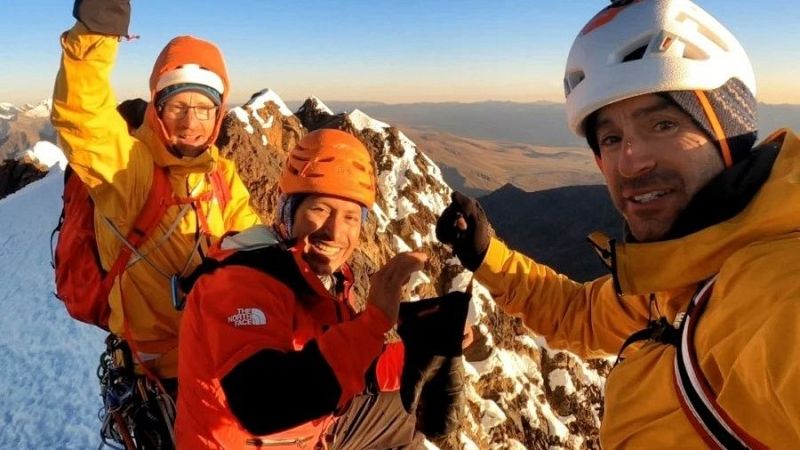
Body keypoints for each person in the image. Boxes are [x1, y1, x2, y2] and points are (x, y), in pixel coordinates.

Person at [436, 0, 800, 448]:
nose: (631, 162)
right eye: (611, 138)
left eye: (663, 124)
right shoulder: (677, 277)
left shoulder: (775, 292)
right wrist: (486, 255)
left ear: (728, 133)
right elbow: (580, 315)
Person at [176, 129, 430, 449]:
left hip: (307, 432)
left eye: (351, 217)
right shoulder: (240, 281)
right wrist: (373, 322)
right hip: (245, 443)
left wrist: (423, 351)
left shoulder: (315, 274)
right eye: (320, 209)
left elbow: (349, 363)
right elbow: (261, 404)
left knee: (406, 408)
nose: (335, 232)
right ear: (287, 210)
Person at [51, 0, 259, 389]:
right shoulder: (130, 171)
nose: (191, 122)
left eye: (204, 108)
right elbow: (83, 116)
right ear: (157, 109)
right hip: (161, 372)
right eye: (178, 106)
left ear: (219, 115)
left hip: (220, 354)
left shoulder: (221, 177)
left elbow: (257, 249)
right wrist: (98, 28)